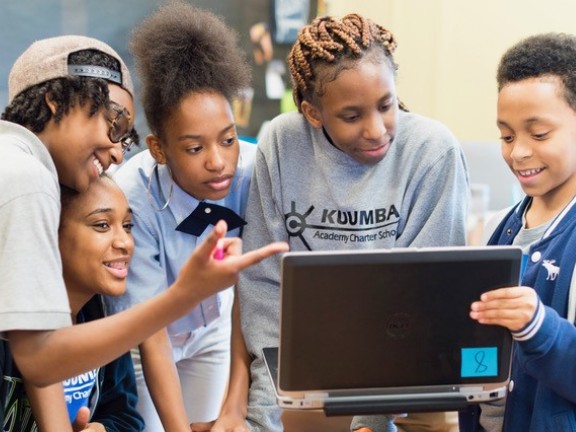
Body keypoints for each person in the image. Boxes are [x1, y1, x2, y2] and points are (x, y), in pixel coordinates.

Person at [0, 34, 287, 430]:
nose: (118, 152)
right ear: (54, 101)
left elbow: (40, 360)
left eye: (125, 136)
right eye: (113, 123)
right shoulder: (26, 176)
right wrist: (185, 293)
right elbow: (41, 358)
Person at [213, 13, 470, 432]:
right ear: (313, 113)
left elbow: (424, 297)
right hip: (307, 373)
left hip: (414, 376)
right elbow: (263, 289)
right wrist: (263, 415)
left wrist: (367, 420)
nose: (376, 130)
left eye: (386, 106)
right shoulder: (281, 144)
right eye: (351, 116)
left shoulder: (432, 152)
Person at [103, 2, 254, 431]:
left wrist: (233, 410)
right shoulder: (132, 196)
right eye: (194, 148)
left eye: (227, 140)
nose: (218, 162)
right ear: (158, 149)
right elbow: (152, 334)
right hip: (145, 336)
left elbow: (253, 296)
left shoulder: (254, 173)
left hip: (213, 332)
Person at [465, 32, 576, 432]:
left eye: (539, 134)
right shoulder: (503, 227)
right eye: (507, 136)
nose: (519, 152)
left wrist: (538, 327)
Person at [3, 175, 145, 431]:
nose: (124, 242)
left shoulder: (104, 314)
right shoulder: (9, 317)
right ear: (48, 233)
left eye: (127, 225)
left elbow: (125, 416)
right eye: (102, 225)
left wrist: (103, 429)